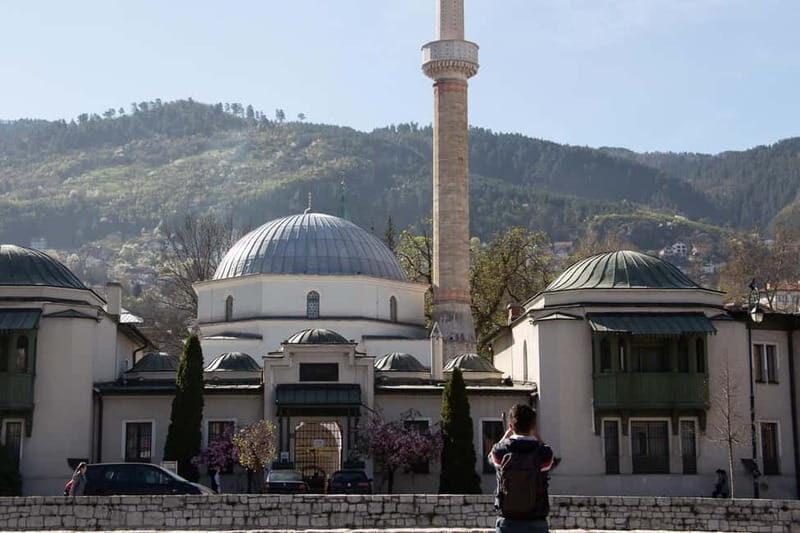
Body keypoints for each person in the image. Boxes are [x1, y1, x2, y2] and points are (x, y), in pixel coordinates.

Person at [489, 404, 555, 533]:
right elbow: (550, 459)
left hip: (508, 522)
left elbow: (491, 455)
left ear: (511, 426)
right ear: (533, 426)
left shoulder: (500, 451)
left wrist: (506, 435)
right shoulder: (543, 453)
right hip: (536, 522)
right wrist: (537, 436)